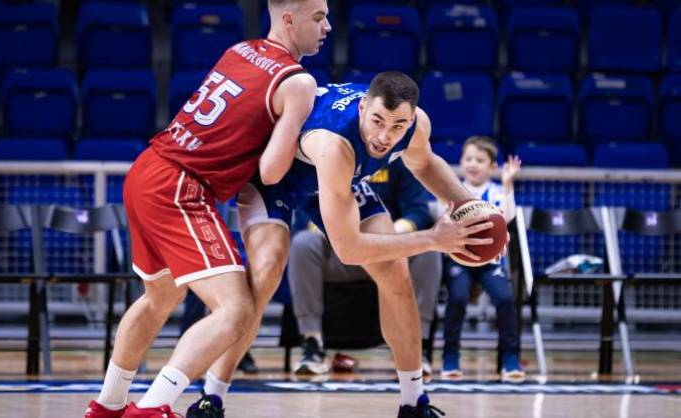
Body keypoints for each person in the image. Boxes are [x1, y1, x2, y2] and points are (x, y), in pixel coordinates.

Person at [83, 1, 331, 417]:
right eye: (319, 17)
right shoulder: (298, 82)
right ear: (289, 19)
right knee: (236, 311)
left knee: (159, 297)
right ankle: (153, 408)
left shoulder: (240, 49)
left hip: (146, 170)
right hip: (181, 186)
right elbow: (271, 172)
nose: (328, 27)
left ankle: (107, 406)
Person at [205, 72, 498, 418]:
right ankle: (211, 398)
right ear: (362, 108)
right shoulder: (336, 143)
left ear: (411, 119)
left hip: (337, 180)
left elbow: (425, 164)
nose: (385, 136)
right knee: (267, 272)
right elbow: (349, 250)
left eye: (398, 126)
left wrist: (476, 213)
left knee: (396, 272)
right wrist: (434, 239)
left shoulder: (416, 125)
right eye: (378, 121)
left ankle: (413, 402)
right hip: (279, 178)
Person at [288, 159, 443, 376]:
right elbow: (303, 216)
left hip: (391, 252)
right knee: (302, 243)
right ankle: (312, 343)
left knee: (429, 252)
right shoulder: (329, 155)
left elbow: (418, 212)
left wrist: (389, 237)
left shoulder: (399, 161)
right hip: (342, 254)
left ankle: (419, 347)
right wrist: (334, 231)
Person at [436, 136, 525, 383]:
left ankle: (510, 359)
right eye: (468, 159)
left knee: (505, 300)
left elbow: (506, 217)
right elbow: (441, 220)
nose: (473, 164)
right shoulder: (452, 191)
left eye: (480, 160)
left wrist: (508, 185)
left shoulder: (495, 192)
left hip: (490, 260)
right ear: (461, 162)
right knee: (457, 298)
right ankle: (450, 357)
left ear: (492, 167)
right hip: (460, 259)